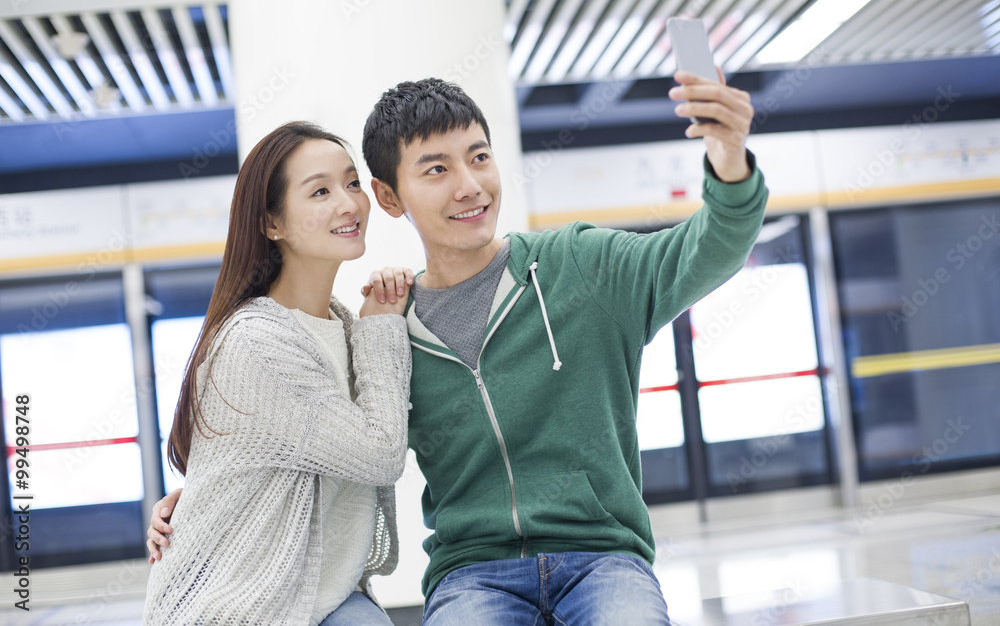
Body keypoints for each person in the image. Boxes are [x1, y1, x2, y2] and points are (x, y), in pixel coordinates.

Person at [150, 70, 766, 624]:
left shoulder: (578, 267)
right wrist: (202, 503)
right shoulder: (385, 333)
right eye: (437, 169)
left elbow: (707, 248)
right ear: (389, 197)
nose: (471, 186)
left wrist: (729, 156)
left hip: (602, 557)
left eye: (480, 157)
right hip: (473, 573)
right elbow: (334, 442)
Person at [142, 121, 414, 626]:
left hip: (322, 596)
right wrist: (382, 329)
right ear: (273, 224)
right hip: (241, 607)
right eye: (320, 191)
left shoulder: (345, 326)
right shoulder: (257, 340)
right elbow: (380, 453)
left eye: (352, 182)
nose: (349, 203)